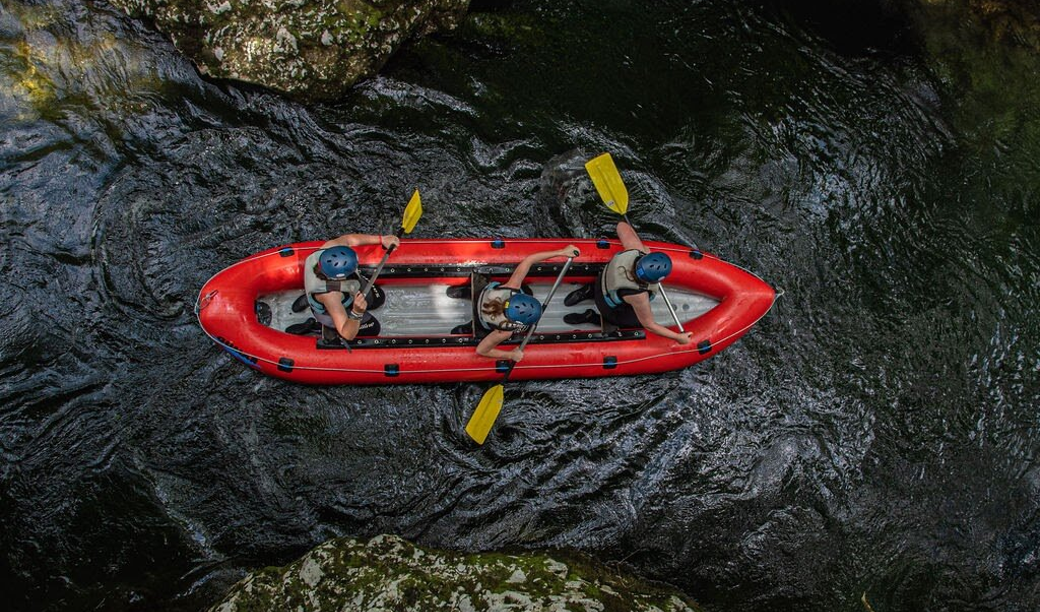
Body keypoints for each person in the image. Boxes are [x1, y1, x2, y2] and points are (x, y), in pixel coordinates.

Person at [563, 222, 692, 345]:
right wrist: (678, 337)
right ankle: (591, 317)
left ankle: (587, 291)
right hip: (606, 307)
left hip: (599, 284)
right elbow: (649, 325)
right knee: (637, 323)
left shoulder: (635, 249)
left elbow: (621, 226)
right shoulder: (639, 296)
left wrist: (641, 246)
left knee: (608, 287)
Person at [463, 245, 580, 362]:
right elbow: (481, 350)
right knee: (527, 295)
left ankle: (465, 292)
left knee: (524, 290)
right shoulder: (504, 331)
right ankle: (468, 317)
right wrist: (511, 355)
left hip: (484, 295)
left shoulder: (512, 286)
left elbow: (529, 260)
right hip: (481, 318)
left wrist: (562, 252)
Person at [301, 233, 400, 341]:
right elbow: (347, 334)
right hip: (333, 308)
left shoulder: (330, 247)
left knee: (378, 298)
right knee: (373, 328)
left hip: (343, 290)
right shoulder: (332, 297)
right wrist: (356, 313)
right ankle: (331, 330)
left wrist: (382, 239)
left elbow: (349, 239)